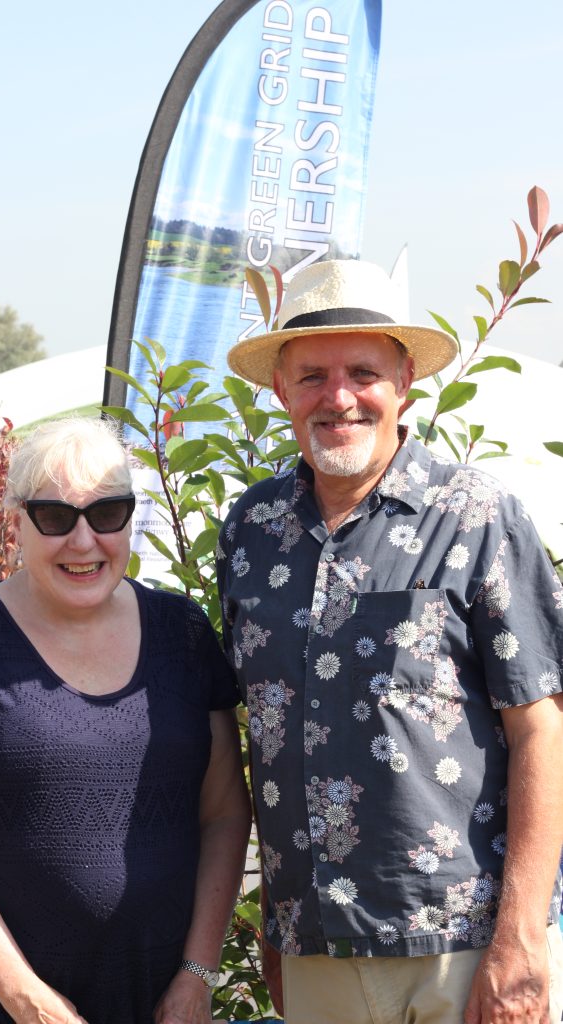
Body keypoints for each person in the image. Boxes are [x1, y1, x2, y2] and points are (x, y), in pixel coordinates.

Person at [217, 258, 563, 1024]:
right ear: (279, 389)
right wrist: (277, 926)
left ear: (404, 380)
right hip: (316, 950)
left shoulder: (476, 515)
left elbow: (541, 727)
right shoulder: (250, 533)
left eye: (362, 372)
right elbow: (266, 736)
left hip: (463, 947)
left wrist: (522, 936)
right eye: (311, 375)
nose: (337, 397)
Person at [0, 416, 251, 1024]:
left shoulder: (182, 633)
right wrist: (25, 997)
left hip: (163, 1002)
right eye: (55, 517)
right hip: (1, 1007)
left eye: (107, 513)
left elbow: (223, 813)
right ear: (16, 523)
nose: (83, 541)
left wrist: (196, 975)